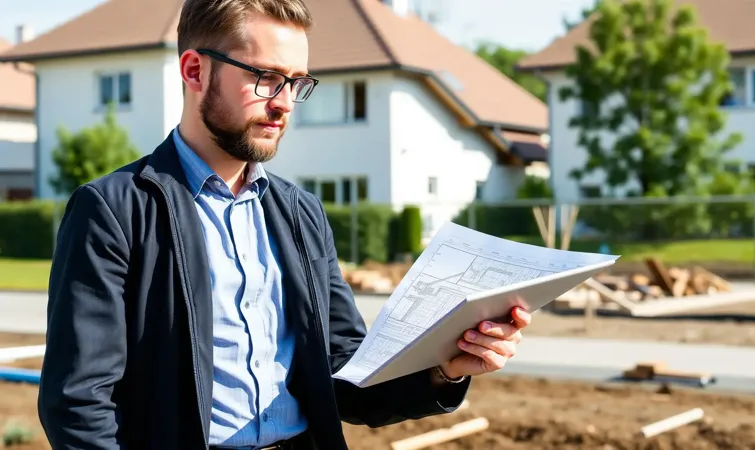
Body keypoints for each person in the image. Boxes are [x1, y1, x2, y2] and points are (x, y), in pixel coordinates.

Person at [38, 0, 532, 449]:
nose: (285, 103)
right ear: (195, 71)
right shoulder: (113, 211)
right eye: (266, 78)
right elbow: (79, 402)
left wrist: (444, 370)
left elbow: (342, 371)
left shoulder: (301, 213)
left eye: (296, 82)